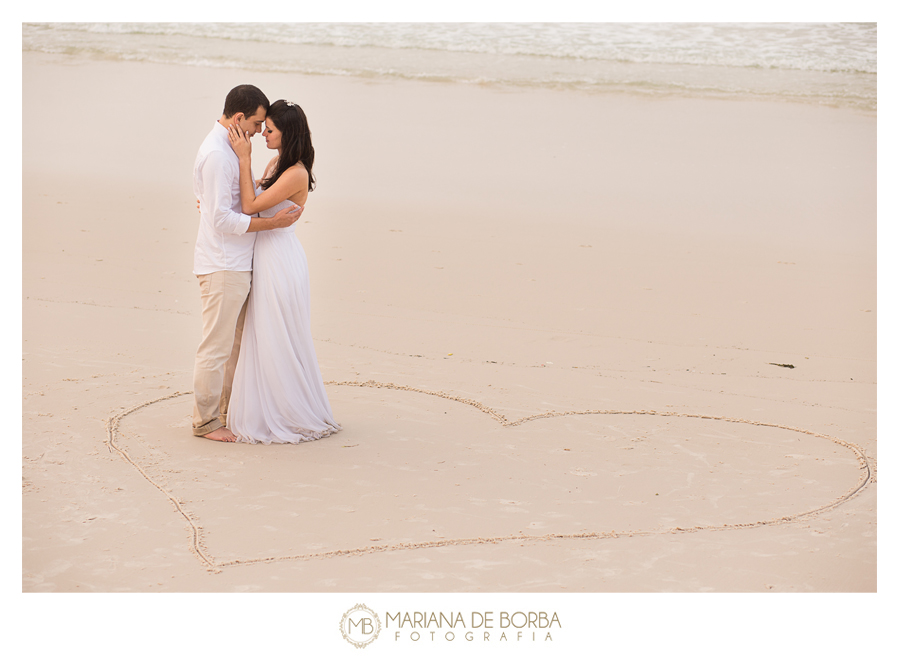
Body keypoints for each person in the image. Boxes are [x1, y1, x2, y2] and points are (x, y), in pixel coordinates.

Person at [224, 99, 341, 444]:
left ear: (287, 134)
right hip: (267, 254)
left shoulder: (296, 173)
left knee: (278, 334)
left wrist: (243, 159)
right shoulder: (279, 163)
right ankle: (266, 403)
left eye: (270, 130)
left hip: (280, 259)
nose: (263, 134)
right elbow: (251, 197)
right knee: (263, 334)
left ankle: (288, 409)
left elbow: (250, 205)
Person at [192, 85, 303, 442]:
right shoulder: (218, 155)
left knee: (234, 345)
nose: (258, 132)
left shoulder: (228, 151)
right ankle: (206, 421)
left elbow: (227, 202)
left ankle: (225, 412)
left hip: (238, 261)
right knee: (217, 347)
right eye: (257, 124)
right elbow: (222, 220)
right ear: (239, 119)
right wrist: (271, 224)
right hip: (224, 264)